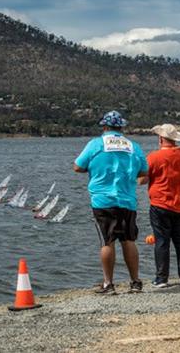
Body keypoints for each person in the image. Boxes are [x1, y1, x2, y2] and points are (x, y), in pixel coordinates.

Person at [73, 111, 147, 294]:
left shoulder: (95, 144)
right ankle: (135, 282)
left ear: (104, 127)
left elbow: (77, 166)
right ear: (121, 127)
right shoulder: (133, 146)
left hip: (103, 200)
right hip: (127, 199)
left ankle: (109, 284)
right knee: (128, 240)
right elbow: (144, 171)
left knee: (108, 241)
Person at [142, 124, 180, 287]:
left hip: (160, 204)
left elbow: (141, 180)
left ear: (160, 139)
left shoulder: (153, 157)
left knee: (161, 241)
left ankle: (161, 278)